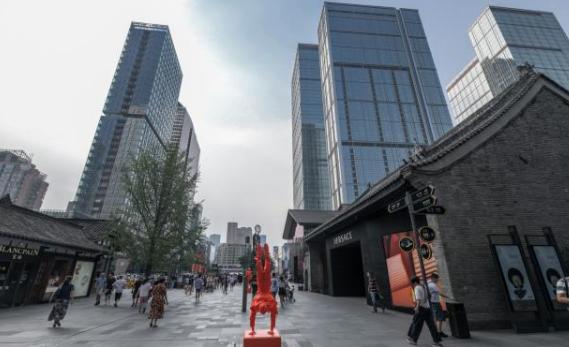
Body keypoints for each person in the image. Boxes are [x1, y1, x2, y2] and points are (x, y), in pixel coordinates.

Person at [407, 276, 442, 347]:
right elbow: (428, 296)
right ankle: (437, 342)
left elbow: (418, 299)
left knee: (417, 325)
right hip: (427, 308)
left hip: (421, 308)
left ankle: (413, 340)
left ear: (415, 282)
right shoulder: (424, 287)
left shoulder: (417, 288)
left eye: (413, 283)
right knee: (432, 326)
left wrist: (417, 308)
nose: (413, 285)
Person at [427, 273, 448, 338]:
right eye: (437, 279)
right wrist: (448, 297)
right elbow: (440, 293)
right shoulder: (433, 285)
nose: (437, 280)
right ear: (433, 278)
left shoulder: (428, 283)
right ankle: (439, 332)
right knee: (440, 318)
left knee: (437, 318)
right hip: (435, 303)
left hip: (431, 303)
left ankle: (439, 332)